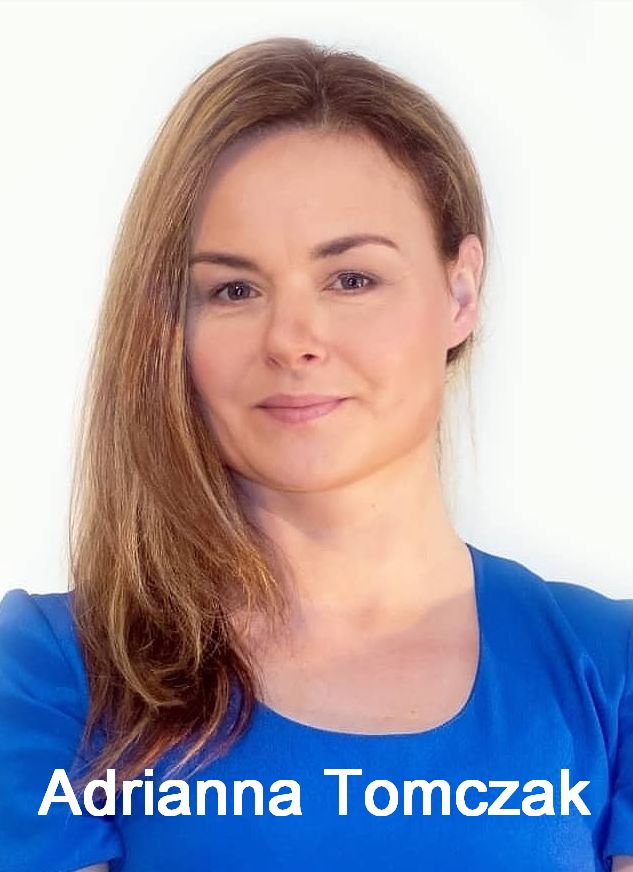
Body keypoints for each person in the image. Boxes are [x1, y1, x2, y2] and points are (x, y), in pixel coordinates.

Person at [0, 36, 631, 872]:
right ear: (170, 327)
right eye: (233, 289)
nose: (291, 338)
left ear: (460, 291)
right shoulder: (49, 673)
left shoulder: (610, 667)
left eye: (351, 279)